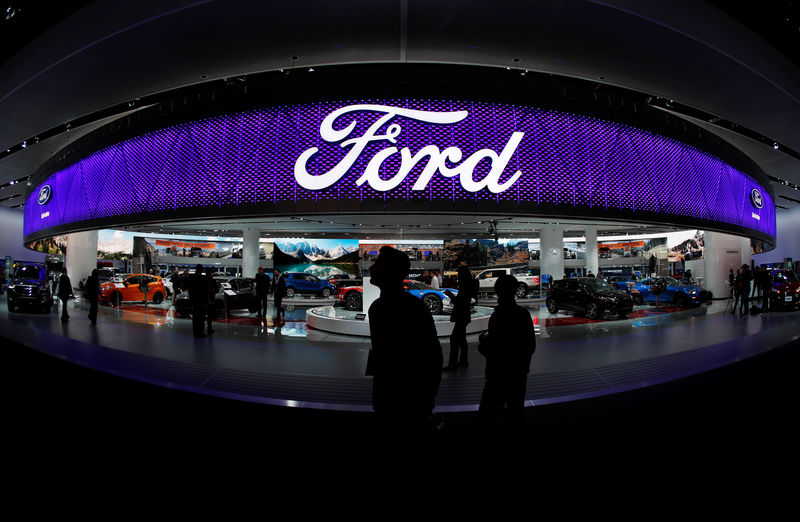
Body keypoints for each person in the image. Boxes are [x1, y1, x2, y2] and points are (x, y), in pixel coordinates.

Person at [366, 245, 443, 435]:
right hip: (399, 398)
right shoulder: (408, 307)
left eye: (378, 264)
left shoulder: (384, 308)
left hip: (403, 400)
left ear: (391, 271)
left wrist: (425, 400)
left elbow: (432, 357)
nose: (371, 268)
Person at [477, 274, 536, 436]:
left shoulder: (497, 316)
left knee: (486, 412)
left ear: (497, 291)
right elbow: (530, 346)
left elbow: (494, 348)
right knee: (516, 410)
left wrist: (483, 343)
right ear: (516, 290)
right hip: (518, 372)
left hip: (497, 373)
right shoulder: (523, 314)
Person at [443, 262, 472, 371]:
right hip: (464, 316)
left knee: (454, 340)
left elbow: (460, 302)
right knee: (461, 339)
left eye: (459, 273)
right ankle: (463, 361)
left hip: (461, 316)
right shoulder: (468, 285)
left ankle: (453, 364)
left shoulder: (464, 287)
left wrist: (450, 295)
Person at [188, 264, 209, 337]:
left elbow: (190, 290)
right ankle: (200, 332)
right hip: (200, 301)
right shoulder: (201, 278)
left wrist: (191, 300)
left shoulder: (192, 277)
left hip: (195, 301)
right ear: (201, 269)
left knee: (196, 318)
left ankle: (196, 332)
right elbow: (204, 290)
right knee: (200, 318)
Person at [205, 267, 219, 334]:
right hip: (205, 301)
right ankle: (208, 328)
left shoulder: (212, 281)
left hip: (210, 300)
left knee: (210, 315)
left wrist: (213, 291)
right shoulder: (204, 280)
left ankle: (209, 328)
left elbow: (217, 289)